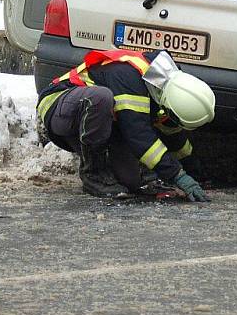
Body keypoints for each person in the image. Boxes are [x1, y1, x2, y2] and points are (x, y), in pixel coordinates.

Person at [36, 48, 215, 202]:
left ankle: (106, 170)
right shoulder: (130, 77)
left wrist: (195, 173)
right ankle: (94, 175)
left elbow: (174, 137)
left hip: (97, 122)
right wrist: (178, 176)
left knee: (132, 181)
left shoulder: (167, 89)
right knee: (101, 98)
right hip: (58, 107)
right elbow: (139, 136)